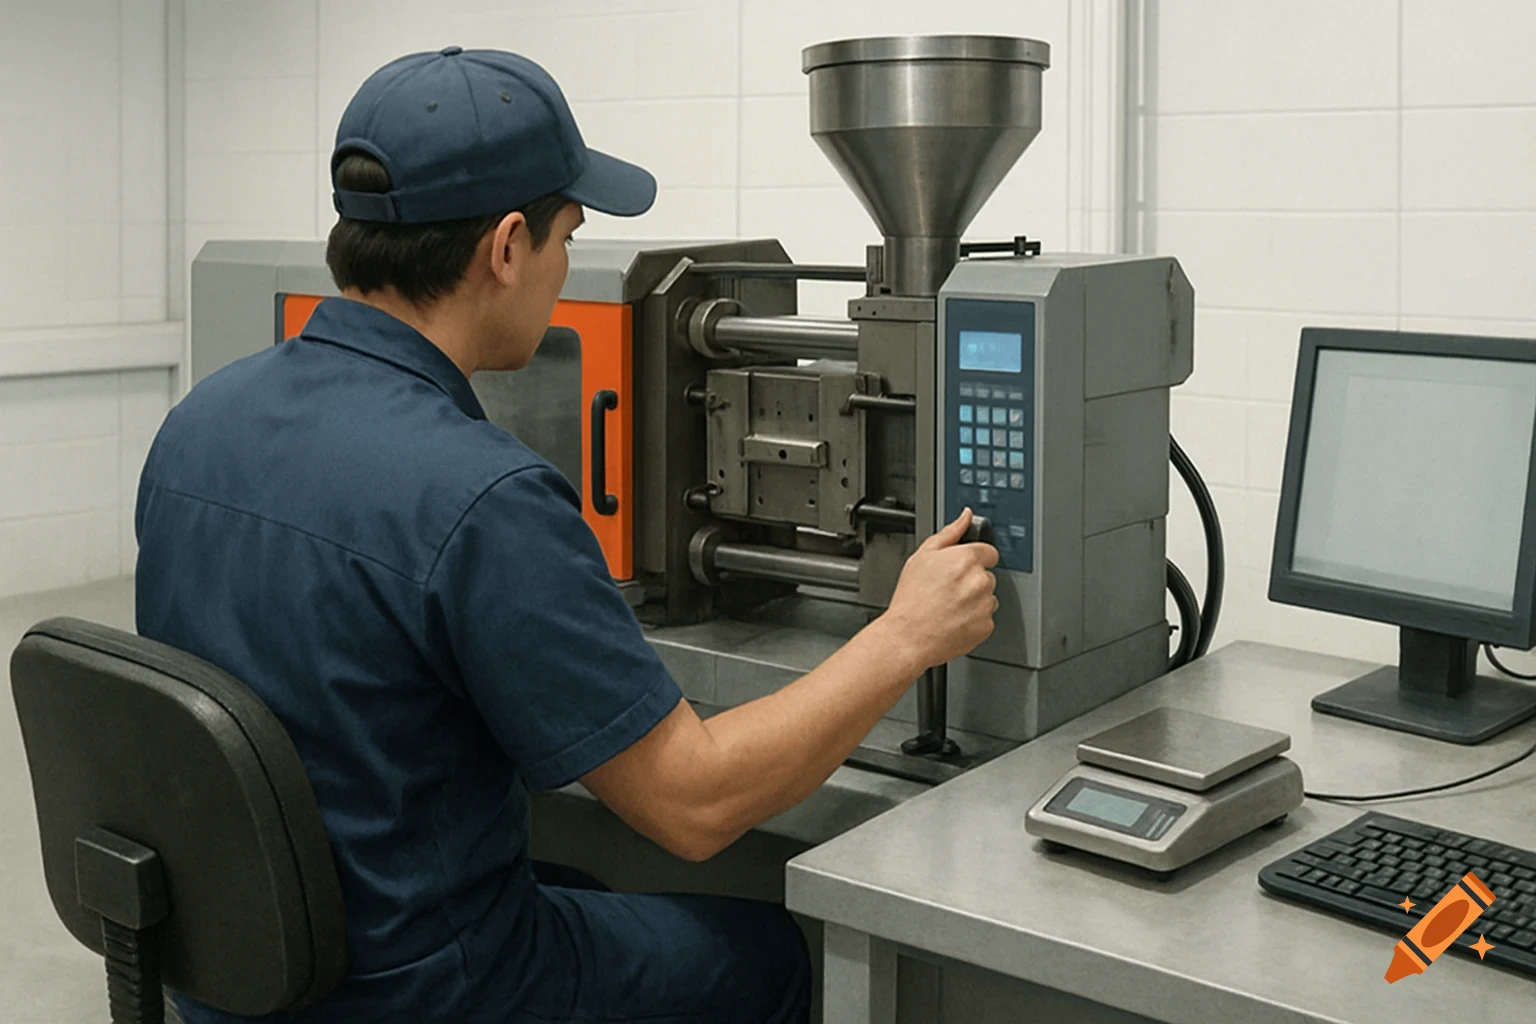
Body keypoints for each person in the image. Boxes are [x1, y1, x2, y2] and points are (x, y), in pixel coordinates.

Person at [136, 46, 998, 1024]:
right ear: (507, 246)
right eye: (568, 237)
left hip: (237, 982)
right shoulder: (481, 498)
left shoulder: (197, 423)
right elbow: (694, 804)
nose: (562, 271)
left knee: (579, 878)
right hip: (434, 994)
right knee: (771, 953)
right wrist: (906, 633)